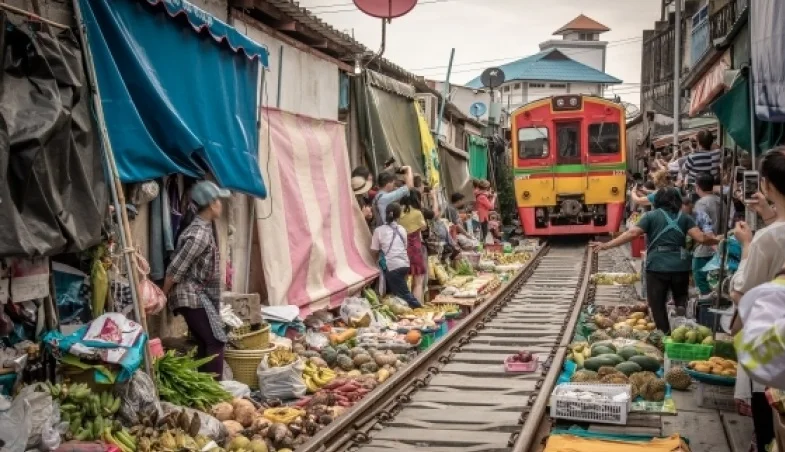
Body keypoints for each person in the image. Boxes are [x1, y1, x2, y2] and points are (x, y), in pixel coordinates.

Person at [590, 187, 718, 333]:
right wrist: (720, 240)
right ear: (677, 201)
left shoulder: (650, 216)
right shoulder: (684, 218)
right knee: (681, 299)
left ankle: (665, 334)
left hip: (657, 266)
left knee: (657, 305)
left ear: (657, 201)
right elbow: (702, 238)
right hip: (680, 266)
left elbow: (632, 233)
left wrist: (607, 245)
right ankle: (682, 323)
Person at [729, 148, 785, 451]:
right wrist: (767, 214)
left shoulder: (767, 238)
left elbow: (742, 291)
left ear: (768, 186)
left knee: (771, 417)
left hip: (773, 345)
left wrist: (747, 244)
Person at [162, 180, 229, 378]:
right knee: (216, 341)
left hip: (197, 295)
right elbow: (175, 269)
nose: (221, 205)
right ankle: (216, 391)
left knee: (204, 342)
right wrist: (162, 297)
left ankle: (205, 388)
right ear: (211, 204)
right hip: (191, 295)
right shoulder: (199, 234)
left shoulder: (204, 229)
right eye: (219, 200)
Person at [371, 203, 421, 308]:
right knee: (397, 294)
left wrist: (374, 263)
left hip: (392, 266)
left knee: (404, 294)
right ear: (398, 216)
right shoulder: (402, 229)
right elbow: (404, 246)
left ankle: (421, 310)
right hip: (405, 265)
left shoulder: (378, 231)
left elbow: (374, 251)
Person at [692, 173, 721, 298]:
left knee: (704, 286)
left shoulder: (701, 204)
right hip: (721, 246)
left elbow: (706, 227)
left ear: (697, 187)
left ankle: (706, 312)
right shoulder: (721, 201)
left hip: (705, 250)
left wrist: (715, 246)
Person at [399, 191, 428, 303]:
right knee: (418, 282)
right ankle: (417, 308)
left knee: (404, 280)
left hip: (401, 248)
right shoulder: (417, 213)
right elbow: (424, 227)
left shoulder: (398, 212)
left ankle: (405, 307)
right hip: (415, 248)